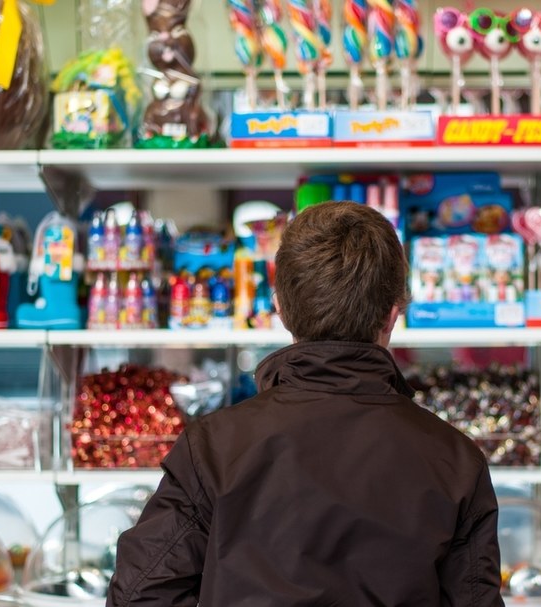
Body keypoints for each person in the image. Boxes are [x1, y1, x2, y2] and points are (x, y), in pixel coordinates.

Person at [107, 201, 502, 606]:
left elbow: (140, 596)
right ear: (392, 315)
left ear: (279, 307)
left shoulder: (213, 447)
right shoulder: (456, 461)